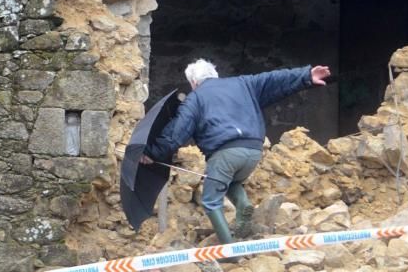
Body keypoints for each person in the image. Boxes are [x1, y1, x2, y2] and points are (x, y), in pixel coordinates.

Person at [142, 59, 331, 244]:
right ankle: (243, 203)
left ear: (193, 82)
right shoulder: (243, 83)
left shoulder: (196, 97)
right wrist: (306, 76)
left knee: (211, 201)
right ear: (215, 75)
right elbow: (274, 79)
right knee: (230, 180)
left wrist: (152, 153)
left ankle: (229, 250)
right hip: (253, 152)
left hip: (225, 153)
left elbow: (177, 132)